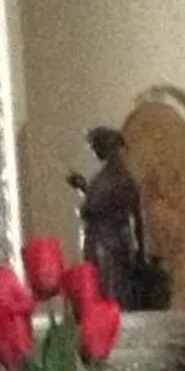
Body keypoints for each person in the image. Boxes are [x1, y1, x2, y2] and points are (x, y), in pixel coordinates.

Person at [66, 126, 168, 312]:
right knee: (108, 291)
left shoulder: (113, 178)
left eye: (96, 147)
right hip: (112, 241)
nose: (95, 152)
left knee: (109, 293)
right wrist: (84, 188)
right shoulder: (118, 177)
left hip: (107, 244)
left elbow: (95, 208)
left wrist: (85, 193)